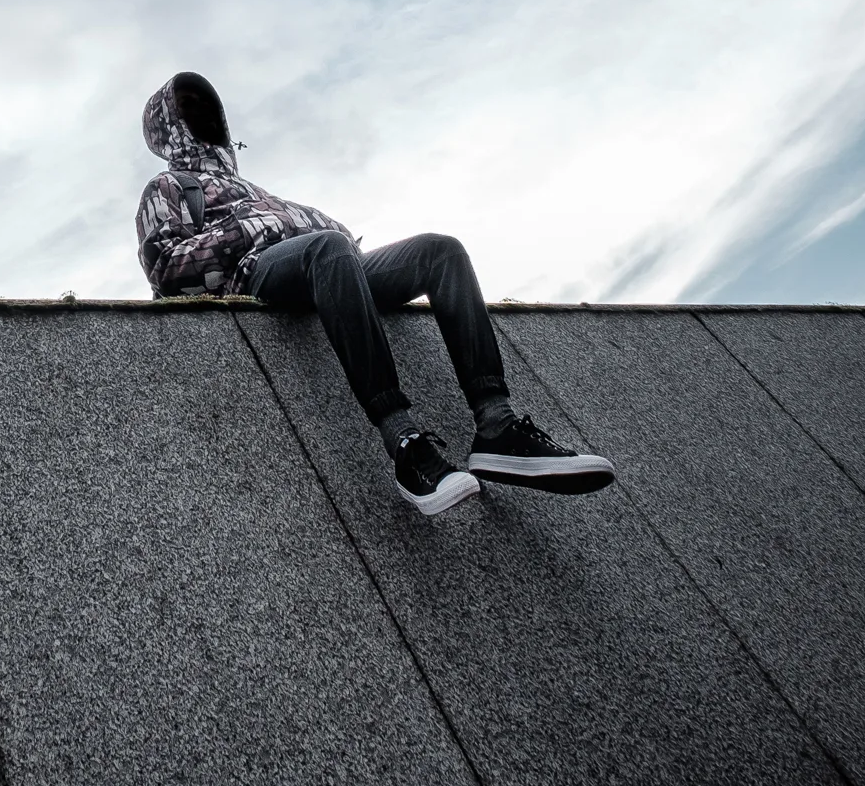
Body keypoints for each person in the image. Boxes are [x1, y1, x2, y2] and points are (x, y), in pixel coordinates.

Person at [137, 70, 614, 517]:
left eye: (205, 103)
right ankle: (406, 443)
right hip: (258, 274)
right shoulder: (171, 185)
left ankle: (497, 424)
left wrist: (298, 225)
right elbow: (166, 268)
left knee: (439, 251)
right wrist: (258, 227)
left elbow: (341, 238)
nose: (201, 111)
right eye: (186, 105)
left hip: (336, 265)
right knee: (328, 245)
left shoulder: (258, 189)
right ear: (168, 126)